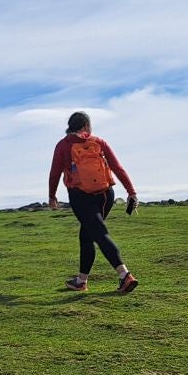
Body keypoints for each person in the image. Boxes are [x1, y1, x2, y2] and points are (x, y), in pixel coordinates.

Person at [48, 111, 139, 293]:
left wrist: (52, 196)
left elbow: (55, 173)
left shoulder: (63, 146)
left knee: (98, 233)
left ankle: (125, 275)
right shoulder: (98, 142)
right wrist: (131, 192)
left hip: (80, 196)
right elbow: (117, 168)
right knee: (87, 235)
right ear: (87, 126)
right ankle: (81, 281)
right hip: (106, 195)